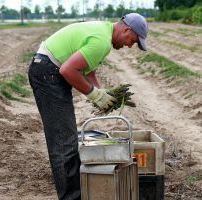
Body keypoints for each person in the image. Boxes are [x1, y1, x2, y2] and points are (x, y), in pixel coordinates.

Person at [28, 13, 148, 200]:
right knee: (64, 143)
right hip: (47, 73)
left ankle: (75, 193)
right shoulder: (101, 41)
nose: (129, 45)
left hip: (47, 70)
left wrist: (102, 93)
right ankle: (71, 197)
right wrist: (93, 94)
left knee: (66, 138)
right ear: (126, 30)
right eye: (132, 40)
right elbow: (67, 70)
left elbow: (88, 71)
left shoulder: (102, 31)